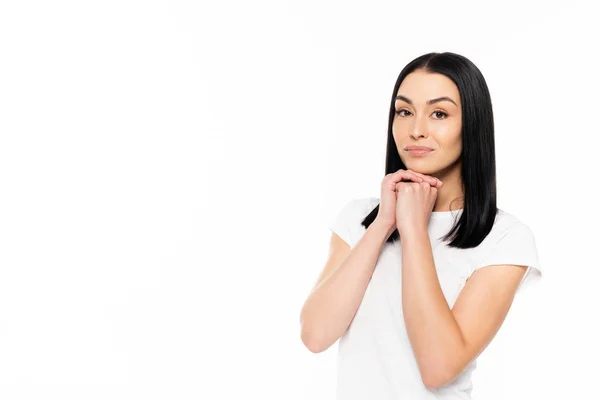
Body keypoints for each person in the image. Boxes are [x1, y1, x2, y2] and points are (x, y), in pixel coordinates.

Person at [299, 52, 543, 400]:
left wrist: (413, 230)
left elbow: (439, 367)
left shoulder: (504, 237)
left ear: (471, 124)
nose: (416, 129)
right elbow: (315, 335)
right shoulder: (358, 219)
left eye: (439, 113)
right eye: (404, 111)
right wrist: (385, 221)